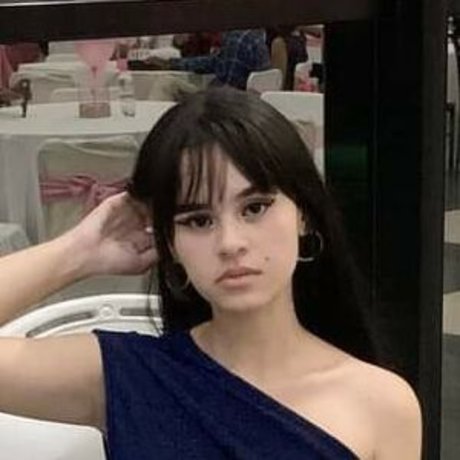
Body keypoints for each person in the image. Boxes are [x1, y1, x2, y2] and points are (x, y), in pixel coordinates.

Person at [0, 88, 421, 459]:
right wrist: (78, 252)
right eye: (198, 221)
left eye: (254, 208)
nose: (230, 242)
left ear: (303, 214)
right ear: (170, 244)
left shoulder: (381, 404)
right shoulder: (126, 376)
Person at [143, 29, 271, 90]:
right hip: (242, 103)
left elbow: (228, 90)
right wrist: (170, 63)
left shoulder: (237, 40)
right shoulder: (252, 34)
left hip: (225, 107)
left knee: (166, 84)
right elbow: (211, 62)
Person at [266, 26, 308, 91]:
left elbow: (278, 82)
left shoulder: (279, 43)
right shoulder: (299, 37)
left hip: (284, 90)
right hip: (294, 87)